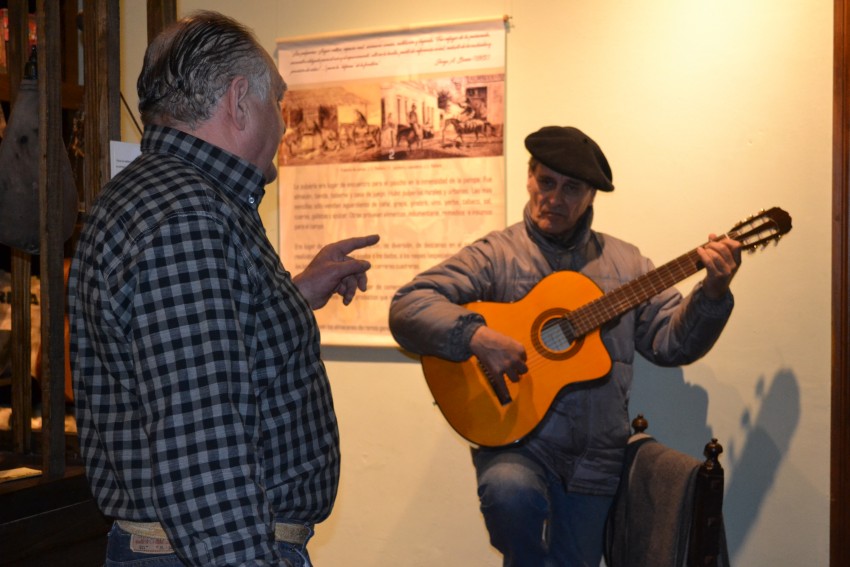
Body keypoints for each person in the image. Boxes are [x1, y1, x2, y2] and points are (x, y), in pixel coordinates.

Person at [69, 11, 379, 567]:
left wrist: (295, 292)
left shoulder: (156, 197)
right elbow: (202, 448)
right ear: (239, 101)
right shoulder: (188, 217)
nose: (283, 126)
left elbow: (198, 345)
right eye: (277, 103)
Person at [388, 125, 741, 567]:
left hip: (596, 458)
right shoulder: (497, 255)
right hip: (515, 442)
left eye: (572, 188)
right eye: (546, 182)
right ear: (530, 177)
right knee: (509, 495)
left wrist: (711, 295)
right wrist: (475, 336)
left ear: (591, 196)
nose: (554, 198)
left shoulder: (628, 264)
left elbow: (671, 344)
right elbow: (409, 306)